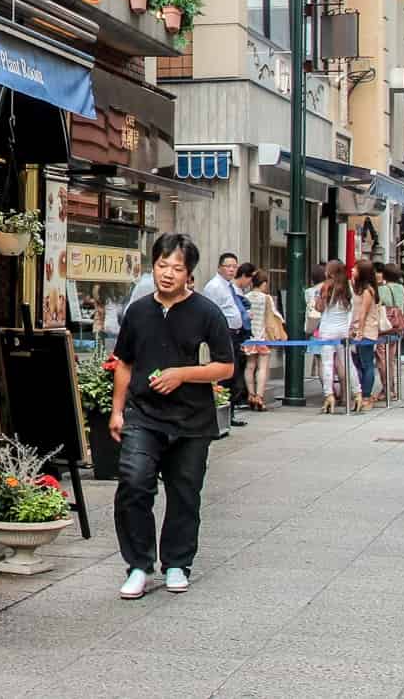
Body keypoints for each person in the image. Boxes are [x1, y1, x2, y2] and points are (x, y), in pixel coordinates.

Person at [110, 232, 235, 598]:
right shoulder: (139, 310)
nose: (167, 273)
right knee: (134, 482)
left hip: (192, 419)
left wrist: (182, 374)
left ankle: (177, 564)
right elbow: (124, 362)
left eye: (176, 268)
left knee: (184, 493)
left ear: (189, 273)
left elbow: (225, 367)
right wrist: (117, 411)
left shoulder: (207, 312)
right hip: (143, 414)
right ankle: (138, 565)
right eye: (162, 265)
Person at [200, 252, 250, 429]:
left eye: (234, 266)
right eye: (228, 266)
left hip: (235, 334)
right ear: (219, 267)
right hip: (223, 334)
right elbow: (210, 312)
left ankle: (230, 412)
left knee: (234, 375)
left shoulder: (229, 286)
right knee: (225, 374)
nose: (231, 269)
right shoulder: (214, 287)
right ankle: (219, 413)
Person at [312, 261, 354, 413]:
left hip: (328, 330)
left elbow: (319, 308)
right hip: (343, 330)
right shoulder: (347, 287)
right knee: (348, 363)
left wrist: (318, 297)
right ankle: (357, 393)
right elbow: (351, 309)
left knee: (327, 364)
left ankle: (329, 395)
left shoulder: (326, 286)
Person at [351, 261, 384, 412]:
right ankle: (363, 394)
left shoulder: (367, 291)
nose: (352, 270)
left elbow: (363, 313)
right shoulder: (360, 289)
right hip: (360, 331)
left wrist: (360, 331)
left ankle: (366, 396)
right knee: (359, 363)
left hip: (366, 332)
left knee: (366, 363)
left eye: (355, 269)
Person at [241, 267, 273, 410]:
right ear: (264, 283)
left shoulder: (245, 297)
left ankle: (251, 395)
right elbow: (269, 318)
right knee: (262, 367)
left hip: (249, 336)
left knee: (249, 366)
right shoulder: (266, 298)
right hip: (261, 336)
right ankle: (259, 397)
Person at [376, 264, 404, 392]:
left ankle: (387, 388)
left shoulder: (382, 289)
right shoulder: (401, 288)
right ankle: (391, 388)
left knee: (382, 359)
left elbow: (379, 304)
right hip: (397, 325)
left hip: (385, 326)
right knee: (391, 358)